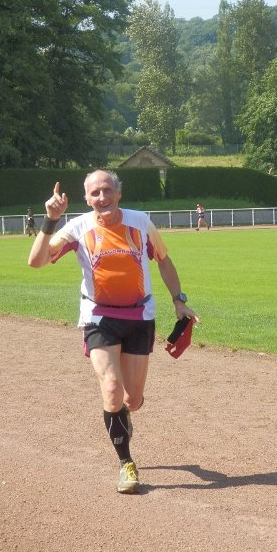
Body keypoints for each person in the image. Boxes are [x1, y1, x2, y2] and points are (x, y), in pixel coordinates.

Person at [28, 169, 199, 494]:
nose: (102, 197)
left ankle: (123, 414)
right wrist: (51, 220)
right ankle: (126, 463)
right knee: (111, 388)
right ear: (86, 198)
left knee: (132, 399)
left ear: (119, 193)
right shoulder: (78, 227)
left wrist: (179, 301)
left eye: (107, 190)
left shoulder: (141, 223)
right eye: (95, 193)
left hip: (139, 315)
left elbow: (164, 260)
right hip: (98, 316)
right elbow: (36, 261)